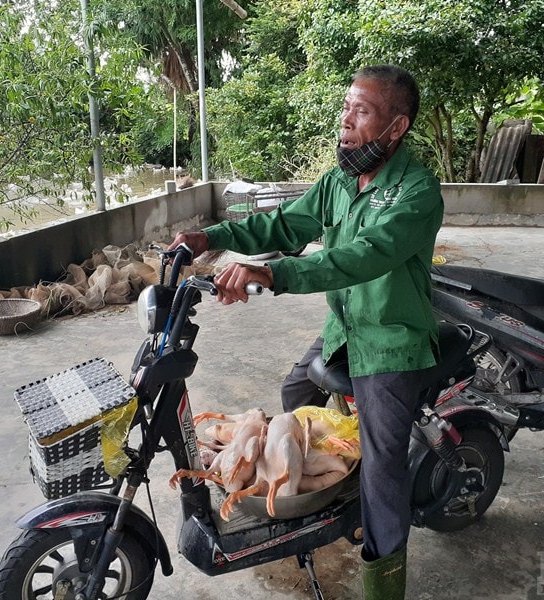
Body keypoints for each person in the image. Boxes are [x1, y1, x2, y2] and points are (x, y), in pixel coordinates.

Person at [169, 64, 443, 599]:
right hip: (346, 327)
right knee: (297, 391)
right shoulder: (340, 179)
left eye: (361, 112)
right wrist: (210, 237)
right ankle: (336, 475)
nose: (345, 121)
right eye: (346, 107)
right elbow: (285, 224)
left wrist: (274, 273)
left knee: (384, 472)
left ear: (397, 127)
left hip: (391, 339)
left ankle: (384, 582)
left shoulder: (417, 191)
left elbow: (361, 258)